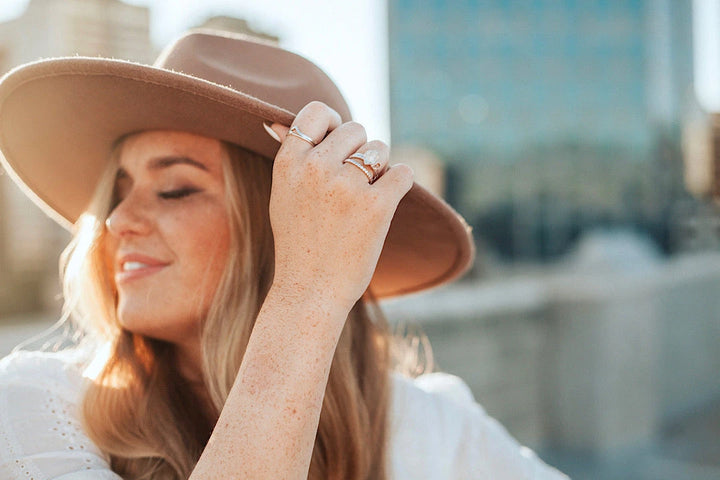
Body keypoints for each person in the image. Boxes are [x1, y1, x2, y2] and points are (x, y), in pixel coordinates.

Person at [0, 30, 568, 479]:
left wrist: (309, 284)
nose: (117, 221)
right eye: (118, 191)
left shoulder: (429, 427)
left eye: (175, 188)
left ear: (294, 227)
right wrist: (309, 295)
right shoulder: (38, 409)